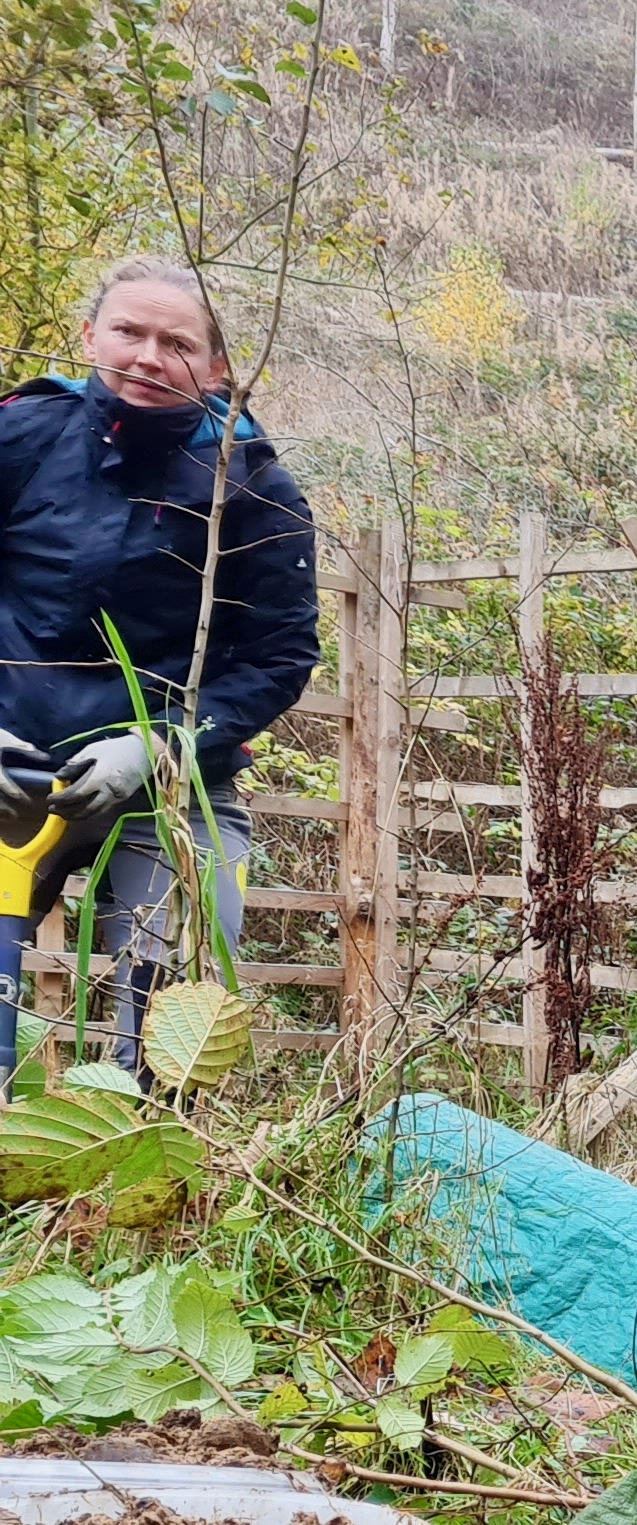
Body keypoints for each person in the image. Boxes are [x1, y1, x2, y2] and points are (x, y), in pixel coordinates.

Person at [0, 256, 319, 1073]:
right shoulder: (19, 436)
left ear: (216, 368)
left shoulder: (254, 487)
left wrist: (160, 746)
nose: (148, 357)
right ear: (89, 337)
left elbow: (281, 655)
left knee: (175, 1041)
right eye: (128, 332)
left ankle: (142, 1140)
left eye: (176, 344)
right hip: (10, 771)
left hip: (170, 790)